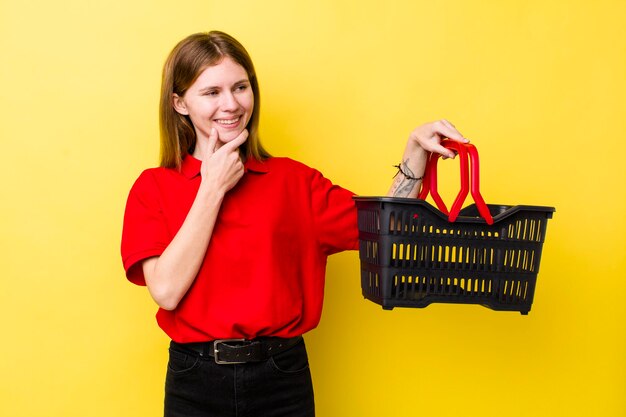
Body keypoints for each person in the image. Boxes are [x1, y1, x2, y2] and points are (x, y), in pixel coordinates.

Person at [121, 30, 468, 417]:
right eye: (212, 92)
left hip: (280, 378)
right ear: (179, 103)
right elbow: (166, 291)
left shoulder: (293, 182)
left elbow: (386, 228)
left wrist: (415, 154)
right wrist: (212, 188)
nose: (232, 104)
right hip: (195, 380)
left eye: (241, 87)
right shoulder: (153, 188)